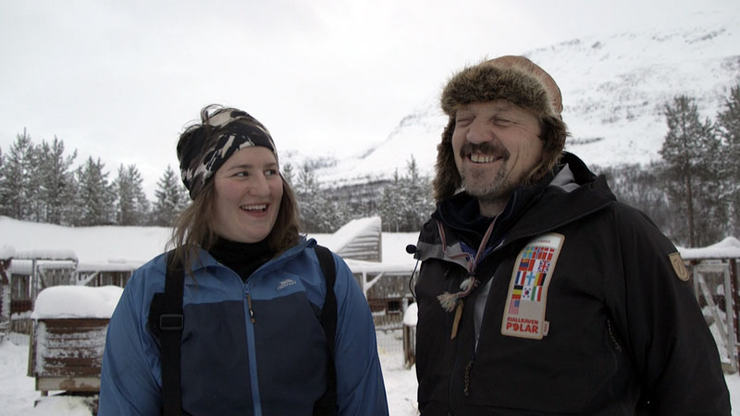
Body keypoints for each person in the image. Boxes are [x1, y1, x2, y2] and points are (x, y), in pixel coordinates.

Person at [412, 56, 731, 415]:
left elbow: (694, 391)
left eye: (502, 118)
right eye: (464, 119)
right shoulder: (441, 250)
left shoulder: (615, 236)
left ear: (548, 138)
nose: (475, 135)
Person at [99, 105, 389, 415]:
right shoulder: (154, 291)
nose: (263, 189)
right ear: (205, 189)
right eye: (242, 173)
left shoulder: (327, 277)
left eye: (270, 171)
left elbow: (364, 405)